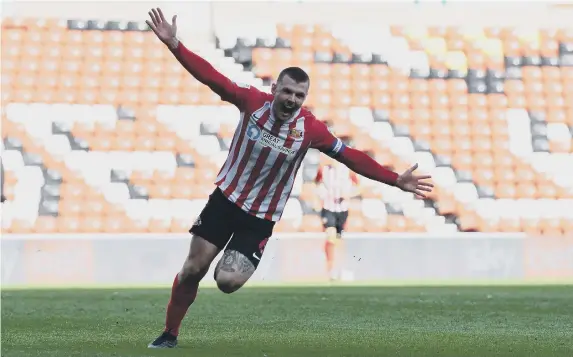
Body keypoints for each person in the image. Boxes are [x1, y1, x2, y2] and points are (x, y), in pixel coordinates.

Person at [145, 8, 434, 349]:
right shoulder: (251, 102)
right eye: (287, 92)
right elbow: (212, 77)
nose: (292, 100)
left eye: (299, 96)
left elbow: (350, 156)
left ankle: (238, 259)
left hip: (260, 217)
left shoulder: (310, 129)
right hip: (225, 200)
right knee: (194, 268)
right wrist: (175, 44)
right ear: (275, 88)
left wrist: (393, 179)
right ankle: (169, 334)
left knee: (226, 280)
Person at [314, 148, 360, 280]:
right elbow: (316, 183)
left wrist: (349, 194)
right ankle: (330, 268)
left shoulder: (348, 170)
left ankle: (338, 269)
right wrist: (319, 196)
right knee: (331, 237)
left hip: (343, 210)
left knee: (338, 240)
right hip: (328, 208)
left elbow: (359, 187)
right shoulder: (324, 169)